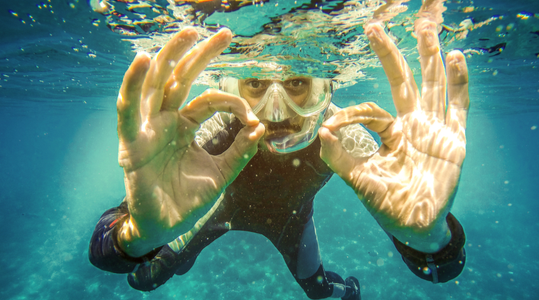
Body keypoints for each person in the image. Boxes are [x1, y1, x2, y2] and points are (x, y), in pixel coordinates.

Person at [89, 16, 469, 300]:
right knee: (145, 277)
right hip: (210, 212)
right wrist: (135, 239)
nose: (275, 112)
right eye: (255, 84)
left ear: (327, 86)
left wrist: (432, 239)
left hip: (292, 221)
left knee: (319, 291)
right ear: (234, 87)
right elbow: (104, 252)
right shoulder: (219, 125)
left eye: (298, 85)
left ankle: (345, 291)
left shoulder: (338, 133)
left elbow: (438, 272)